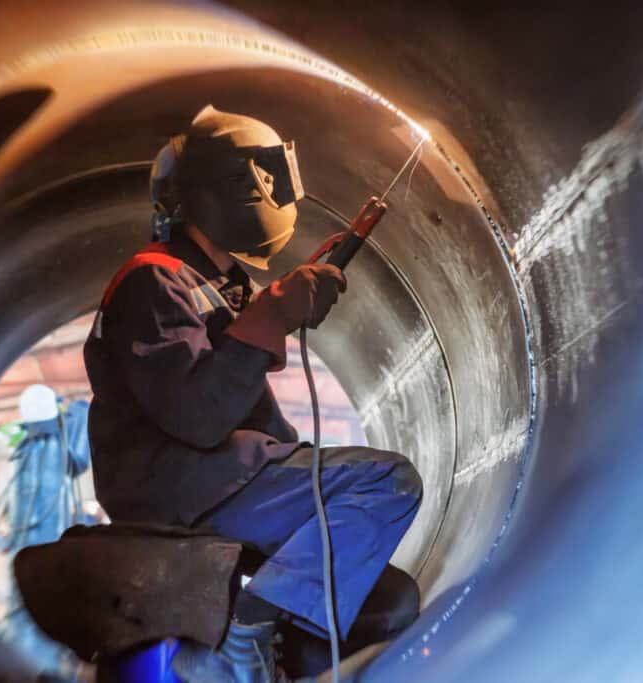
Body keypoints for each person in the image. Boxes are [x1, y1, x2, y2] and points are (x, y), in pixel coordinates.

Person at [83, 105, 423, 682]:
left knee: (386, 602)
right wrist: (271, 316)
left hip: (223, 483)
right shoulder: (152, 278)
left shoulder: (217, 285)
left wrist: (272, 307)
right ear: (234, 186)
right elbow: (197, 416)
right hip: (185, 487)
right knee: (387, 480)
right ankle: (245, 633)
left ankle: (250, 660)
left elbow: (234, 387)